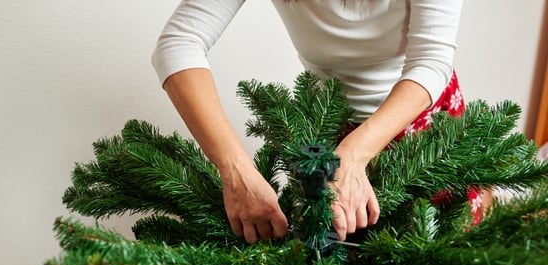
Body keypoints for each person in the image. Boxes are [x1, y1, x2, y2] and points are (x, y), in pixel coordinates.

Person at [152, 0, 469, 244]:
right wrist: (236, 172)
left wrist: (354, 155)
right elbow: (178, 44)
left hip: (426, 125)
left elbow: (430, 61)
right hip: (326, 132)